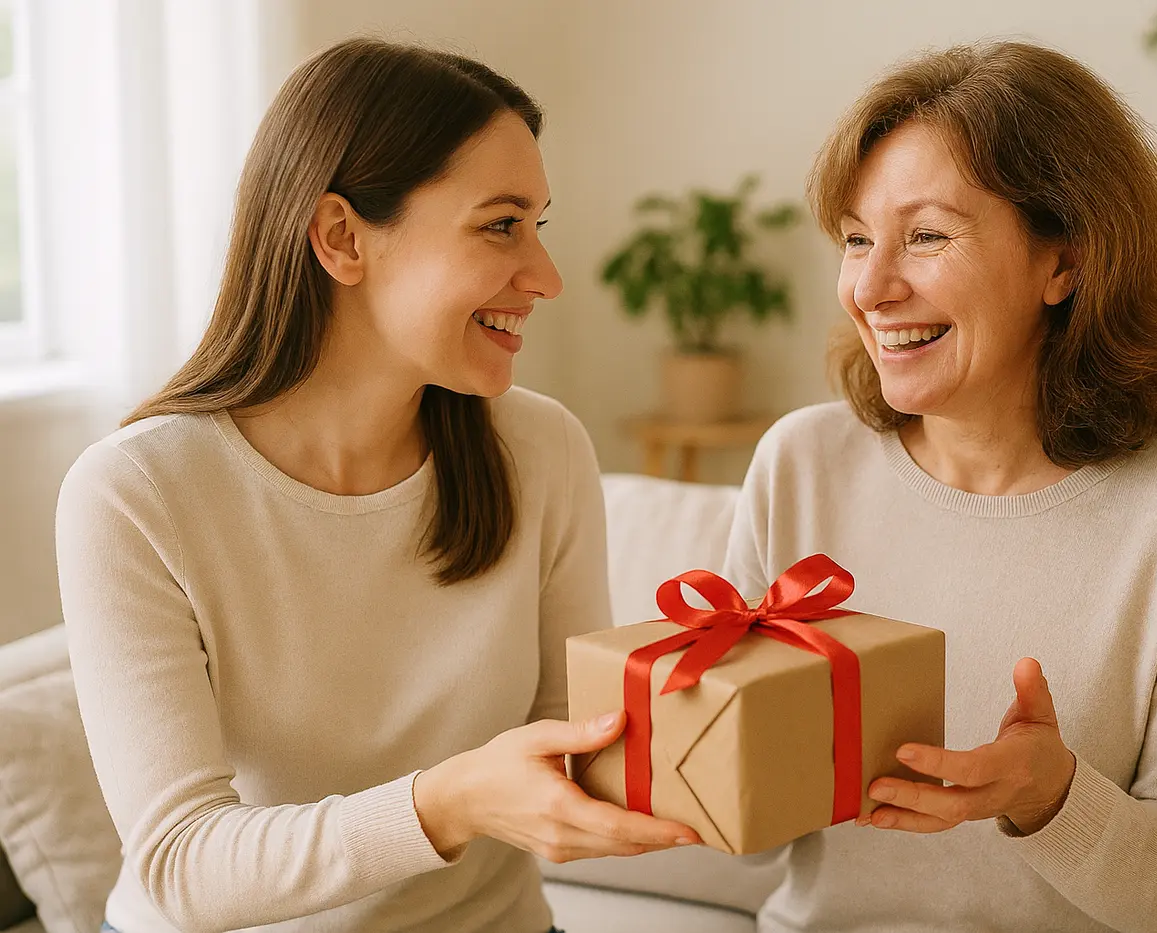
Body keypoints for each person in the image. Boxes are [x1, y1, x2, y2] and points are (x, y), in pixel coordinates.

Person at [56, 38, 698, 933]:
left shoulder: (540, 447)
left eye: (538, 226)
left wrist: (751, 711)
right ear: (342, 237)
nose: (545, 278)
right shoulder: (136, 493)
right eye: (500, 225)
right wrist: (445, 802)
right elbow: (179, 863)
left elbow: (570, 737)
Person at [723, 41, 1157, 933]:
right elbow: (747, 837)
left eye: (926, 235)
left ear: (1064, 262)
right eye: (856, 238)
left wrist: (1052, 800)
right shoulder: (800, 463)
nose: (870, 287)